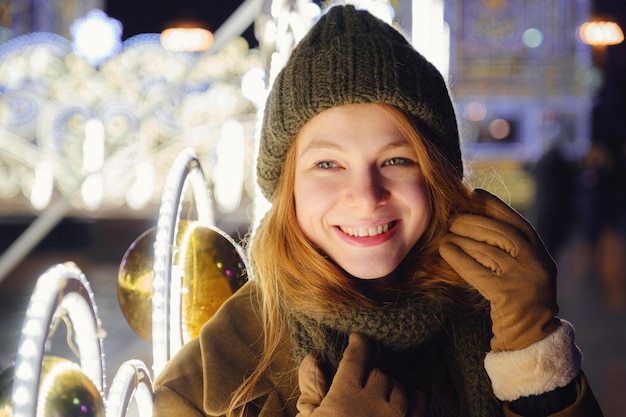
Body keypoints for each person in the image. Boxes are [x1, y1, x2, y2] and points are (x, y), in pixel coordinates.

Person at [152, 5, 603, 417]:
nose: (367, 196)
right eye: (328, 164)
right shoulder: (209, 382)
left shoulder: (497, 314)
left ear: (436, 177)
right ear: (287, 188)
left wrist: (533, 352)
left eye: (396, 160)